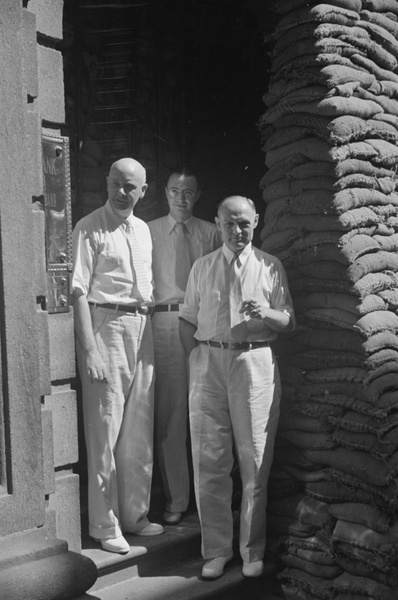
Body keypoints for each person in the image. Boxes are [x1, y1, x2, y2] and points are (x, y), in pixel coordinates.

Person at [179, 195, 295, 579]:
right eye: (229, 223)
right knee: (209, 460)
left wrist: (267, 313)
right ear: (217, 223)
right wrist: (196, 361)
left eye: (244, 223)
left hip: (253, 362)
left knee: (255, 460)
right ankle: (215, 551)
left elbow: (289, 321)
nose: (237, 231)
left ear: (256, 221)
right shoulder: (203, 267)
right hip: (209, 362)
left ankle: (251, 550)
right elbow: (187, 320)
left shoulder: (269, 266)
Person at [72, 157, 164, 555]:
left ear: (143, 191)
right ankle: (104, 524)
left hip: (144, 329)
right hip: (106, 328)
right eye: (116, 184)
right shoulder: (89, 227)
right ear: (105, 183)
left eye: (131, 187)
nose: (122, 193)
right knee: (105, 429)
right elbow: (77, 291)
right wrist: (89, 347)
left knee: (138, 429)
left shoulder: (143, 230)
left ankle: (133, 516)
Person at [148, 167, 220, 525]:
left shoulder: (212, 233)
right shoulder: (148, 232)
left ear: (198, 195)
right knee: (172, 413)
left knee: (209, 410)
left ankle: (213, 499)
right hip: (164, 321)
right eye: (175, 191)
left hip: (205, 323)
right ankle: (177, 500)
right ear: (164, 193)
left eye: (188, 192)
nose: (181, 198)